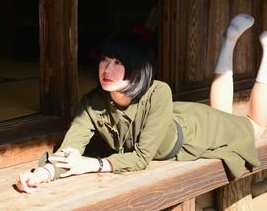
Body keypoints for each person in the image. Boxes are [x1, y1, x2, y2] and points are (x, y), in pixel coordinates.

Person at [17, 13, 267, 194]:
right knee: (226, 115)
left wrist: (93, 165)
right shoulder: (92, 102)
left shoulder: (159, 91)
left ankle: (262, 52)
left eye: (118, 62)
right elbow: (71, 150)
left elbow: (141, 159)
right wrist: (42, 174)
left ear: (138, 69)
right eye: (105, 59)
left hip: (196, 133)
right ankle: (230, 40)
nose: (107, 69)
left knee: (254, 127)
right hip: (173, 120)